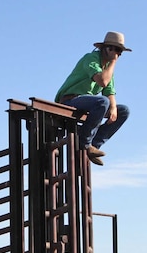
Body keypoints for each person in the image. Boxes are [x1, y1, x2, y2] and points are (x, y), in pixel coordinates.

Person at [54, 31, 131, 166]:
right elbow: (103, 81)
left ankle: (93, 145)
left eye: (119, 51)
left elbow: (109, 91)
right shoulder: (91, 59)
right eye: (113, 49)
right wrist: (113, 62)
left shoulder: (107, 69)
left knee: (123, 111)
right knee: (103, 102)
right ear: (104, 48)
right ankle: (85, 143)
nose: (116, 54)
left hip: (89, 103)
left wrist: (113, 109)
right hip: (70, 100)